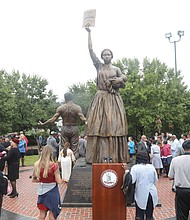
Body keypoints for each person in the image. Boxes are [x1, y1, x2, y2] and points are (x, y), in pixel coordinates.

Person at [85, 27, 129, 164]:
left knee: (114, 126)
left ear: (112, 56)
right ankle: (96, 156)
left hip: (113, 99)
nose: (106, 56)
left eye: (108, 54)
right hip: (100, 99)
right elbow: (90, 51)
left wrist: (119, 80)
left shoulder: (116, 69)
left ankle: (115, 155)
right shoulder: (99, 66)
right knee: (97, 125)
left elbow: (124, 77)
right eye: (104, 54)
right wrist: (89, 33)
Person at [39, 92, 86, 159]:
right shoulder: (77, 108)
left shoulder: (61, 108)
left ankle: (63, 164)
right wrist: (89, 122)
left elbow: (53, 120)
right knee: (75, 148)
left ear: (65, 98)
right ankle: (75, 165)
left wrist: (44, 123)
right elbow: (83, 119)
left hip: (65, 128)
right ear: (72, 98)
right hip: (74, 127)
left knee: (64, 147)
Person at [123, 151, 158, 220]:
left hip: (141, 192)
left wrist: (126, 171)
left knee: (139, 215)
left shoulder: (135, 168)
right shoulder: (151, 167)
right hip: (152, 192)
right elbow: (155, 180)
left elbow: (132, 180)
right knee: (150, 215)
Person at [32, 145, 63, 220]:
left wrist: (43, 180)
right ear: (51, 154)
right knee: (52, 216)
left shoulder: (36, 164)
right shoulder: (54, 166)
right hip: (52, 192)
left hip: (41, 191)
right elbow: (59, 181)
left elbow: (34, 179)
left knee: (42, 215)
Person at [168, 140, 190, 220]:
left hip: (181, 191)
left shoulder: (176, 160)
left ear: (183, 148)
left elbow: (170, 176)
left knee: (181, 216)